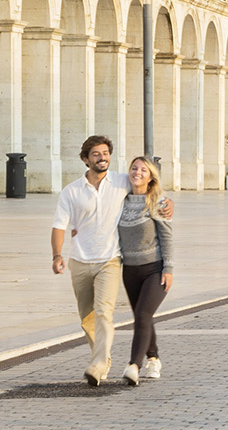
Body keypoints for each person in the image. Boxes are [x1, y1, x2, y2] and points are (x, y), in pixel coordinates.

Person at [49, 134, 170, 386]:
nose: (102, 158)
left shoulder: (119, 181)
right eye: (96, 154)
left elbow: (147, 183)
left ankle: (102, 363)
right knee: (88, 317)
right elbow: (59, 226)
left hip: (111, 260)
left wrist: (167, 204)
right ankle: (106, 357)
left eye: (105, 153)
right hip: (80, 260)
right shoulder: (71, 191)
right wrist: (57, 255)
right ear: (85, 159)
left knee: (106, 312)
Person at [118, 155, 173, 386]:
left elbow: (167, 235)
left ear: (151, 177)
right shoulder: (120, 200)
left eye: (143, 170)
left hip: (154, 269)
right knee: (143, 316)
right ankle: (154, 358)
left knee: (142, 315)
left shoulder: (158, 201)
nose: (137, 172)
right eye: (134, 168)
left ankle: (134, 365)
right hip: (129, 269)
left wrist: (168, 268)